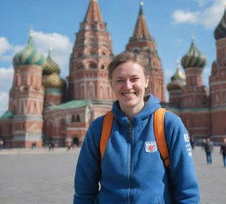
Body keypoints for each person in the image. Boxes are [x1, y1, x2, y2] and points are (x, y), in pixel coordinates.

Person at [73, 51, 200, 204]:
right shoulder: (99, 128)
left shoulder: (169, 124)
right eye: (120, 80)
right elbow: (84, 189)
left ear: (146, 81)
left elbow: (187, 190)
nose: (128, 86)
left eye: (134, 79)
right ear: (111, 83)